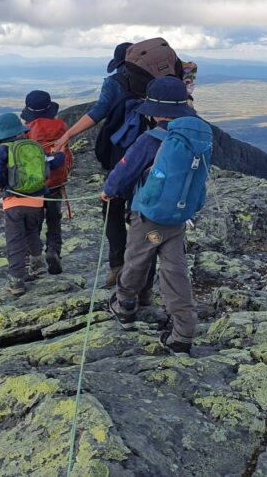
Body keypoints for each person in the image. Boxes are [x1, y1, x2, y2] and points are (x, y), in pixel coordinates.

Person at [103, 76, 213, 356]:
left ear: (156, 112)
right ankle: (183, 331)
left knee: (137, 259)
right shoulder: (195, 138)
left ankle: (125, 304)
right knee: (175, 270)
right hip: (177, 217)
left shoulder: (150, 140)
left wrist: (109, 190)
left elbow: (126, 169)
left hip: (149, 216)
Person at [53, 42, 134, 285]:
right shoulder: (157, 80)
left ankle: (118, 267)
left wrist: (68, 135)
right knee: (144, 211)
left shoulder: (115, 82)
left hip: (120, 153)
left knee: (113, 207)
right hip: (155, 150)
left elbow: (99, 112)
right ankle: (144, 275)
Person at [0, 112, 66, 296]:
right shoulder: (35, 147)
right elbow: (53, 164)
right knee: (32, 233)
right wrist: (61, 152)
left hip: (14, 201)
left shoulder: (3, 150)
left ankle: (16, 281)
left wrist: (1, 185)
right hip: (37, 201)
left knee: (15, 241)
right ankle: (38, 266)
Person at [21, 90, 71, 275]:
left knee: (33, 223)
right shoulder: (61, 126)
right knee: (54, 219)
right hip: (56, 181)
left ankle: (32, 257)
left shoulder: (28, 129)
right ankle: (53, 251)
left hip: (35, 184)